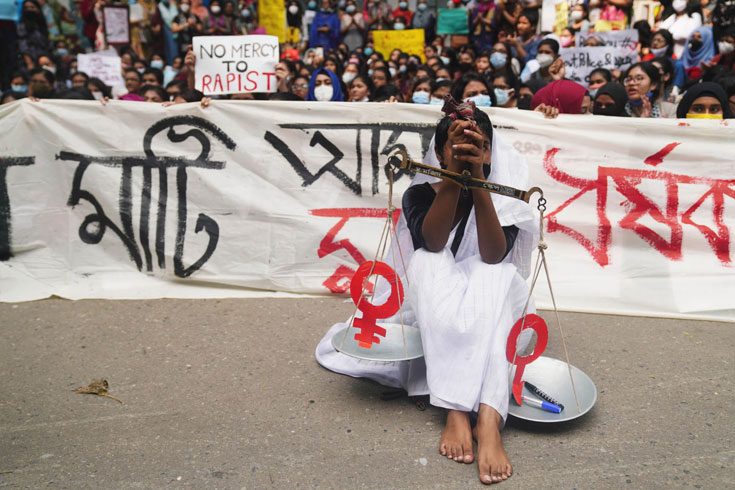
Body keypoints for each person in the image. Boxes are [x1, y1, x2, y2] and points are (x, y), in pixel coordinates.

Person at [315, 101, 537, 485]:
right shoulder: (419, 194)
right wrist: (454, 177)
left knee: (495, 275)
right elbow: (433, 243)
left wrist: (479, 181)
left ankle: (488, 418)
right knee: (429, 262)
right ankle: (454, 410)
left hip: (491, 298)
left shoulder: (505, 199)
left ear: (489, 152)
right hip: (436, 302)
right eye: (456, 147)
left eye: (477, 147)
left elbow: (493, 254)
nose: (467, 153)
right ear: (438, 153)